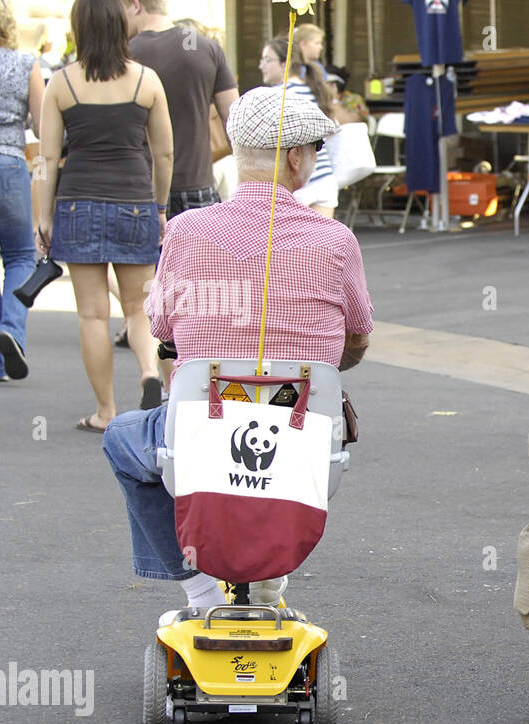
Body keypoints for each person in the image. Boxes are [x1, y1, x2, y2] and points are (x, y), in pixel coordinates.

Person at [102, 86, 373, 608]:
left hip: (202, 430)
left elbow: (160, 323)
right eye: (315, 150)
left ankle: (201, 592)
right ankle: (267, 584)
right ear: (295, 157)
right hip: (304, 438)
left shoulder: (185, 231)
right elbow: (357, 337)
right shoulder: (335, 241)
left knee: (122, 437)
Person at [36, 0, 172, 432]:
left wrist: (43, 217)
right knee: (139, 308)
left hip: (77, 203)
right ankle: (150, 373)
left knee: (93, 314)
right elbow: (164, 153)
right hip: (135, 201)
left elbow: (47, 157)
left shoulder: (61, 84)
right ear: (120, 26)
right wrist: (161, 206)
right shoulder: (146, 81)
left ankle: (105, 411)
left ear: (79, 28)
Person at [126, 0, 237, 219]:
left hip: (142, 188)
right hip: (198, 185)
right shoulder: (207, 47)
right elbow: (236, 121)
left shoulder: (125, 54)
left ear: (136, 5)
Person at [0, 0, 44, 382]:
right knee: (22, 255)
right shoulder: (26, 64)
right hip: (9, 166)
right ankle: (11, 326)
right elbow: (42, 128)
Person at [260, 33, 338, 217]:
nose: (261, 65)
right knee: (320, 245)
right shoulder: (315, 89)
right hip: (324, 179)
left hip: (295, 183)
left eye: (267, 59)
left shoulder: (277, 95)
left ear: (283, 63)